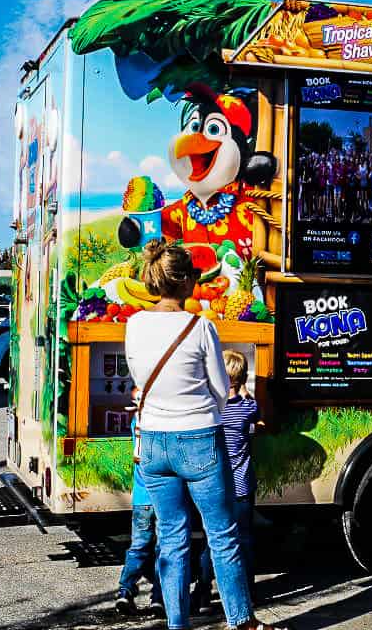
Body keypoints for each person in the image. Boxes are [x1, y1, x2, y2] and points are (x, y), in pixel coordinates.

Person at [125, 239, 284, 630]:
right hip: (198, 440)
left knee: (171, 538)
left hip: (154, 441)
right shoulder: (200, 326)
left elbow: (138, 379)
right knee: (222, 536)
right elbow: (220, 389)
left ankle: (177, 624)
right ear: (186, 281)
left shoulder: (134, 324)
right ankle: (241, 622)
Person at [194, 349, 262, 613]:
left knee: (212, 540)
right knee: (244, 540)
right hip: (241, 486)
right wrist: (243, 389)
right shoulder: (247, 408)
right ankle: (247, 594)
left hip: (213, 485)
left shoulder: (208, 408)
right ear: (242, 377)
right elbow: (256, 413)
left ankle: (202, 592)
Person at [116, 409, 165, 617]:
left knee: (138, 547)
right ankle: (158, 597)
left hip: (142, 498)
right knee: (164, 549)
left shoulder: (138, 420)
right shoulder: (170, 422)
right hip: (165, 499)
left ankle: (125, 590)